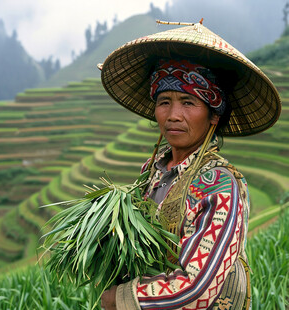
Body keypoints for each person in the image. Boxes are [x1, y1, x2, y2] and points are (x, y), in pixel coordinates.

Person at [99, 20, 281, 310]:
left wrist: (120, 298)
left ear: (213, 116)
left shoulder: (220, 186)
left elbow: (198, 288)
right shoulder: (152, 172)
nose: (173, 115)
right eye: (164, 101)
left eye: (188, 102)